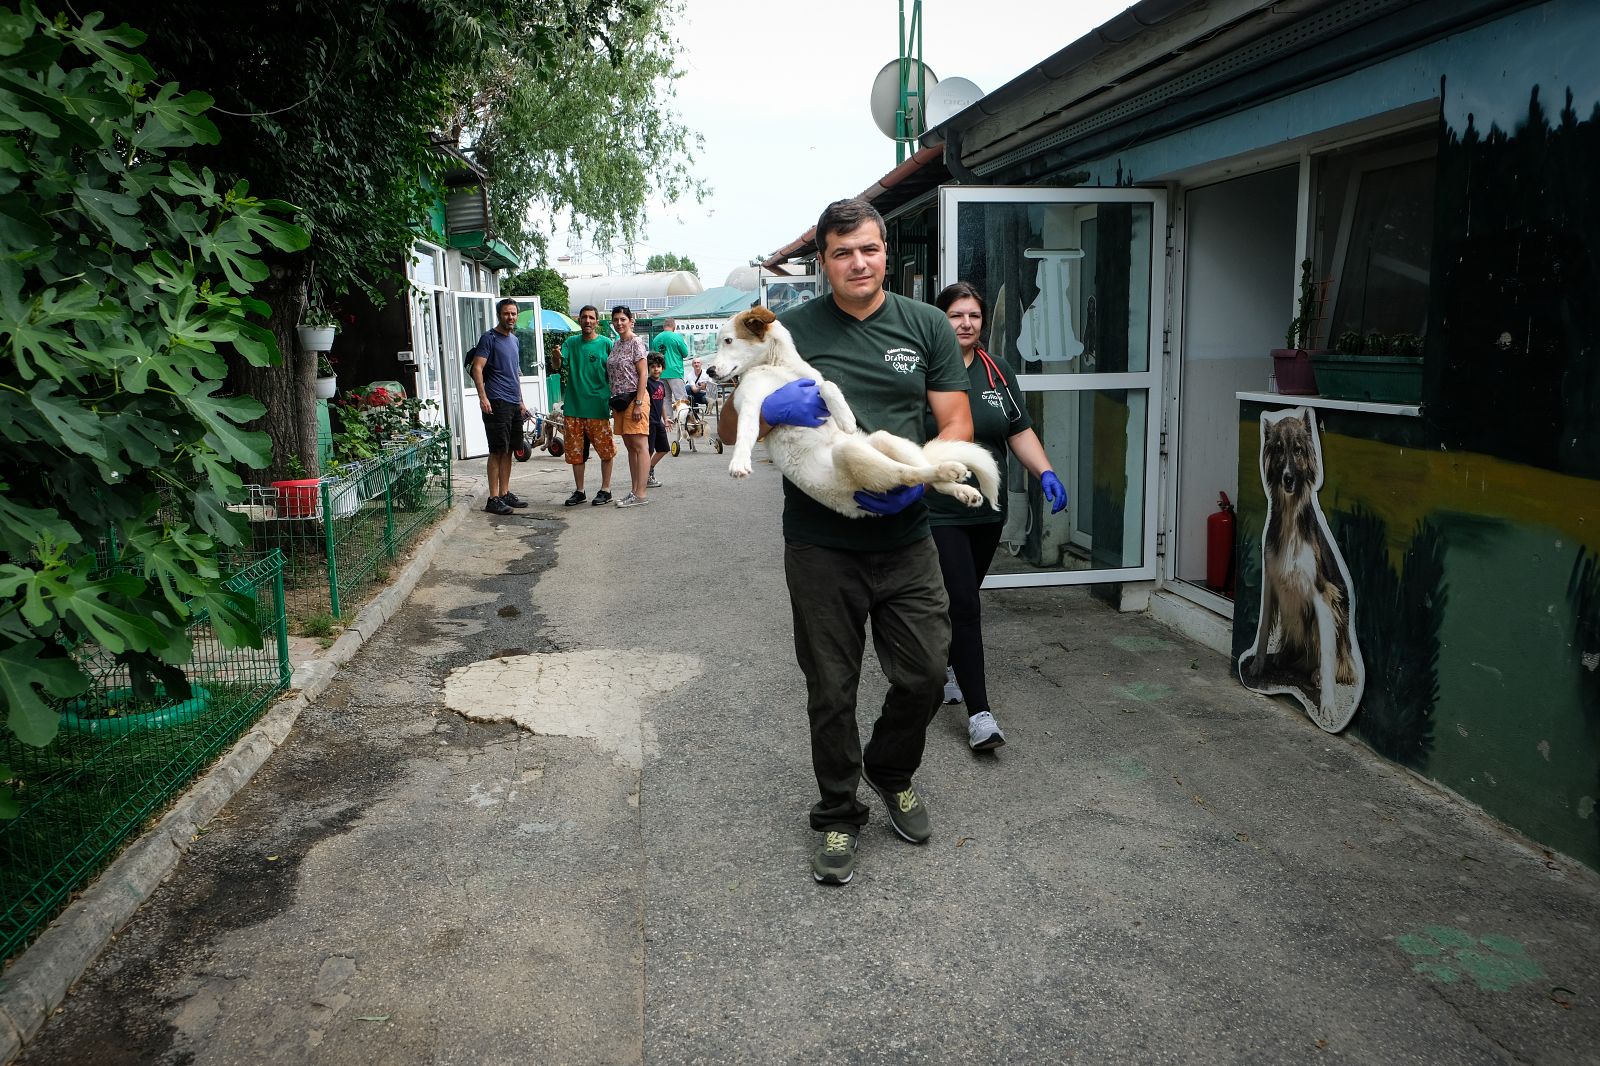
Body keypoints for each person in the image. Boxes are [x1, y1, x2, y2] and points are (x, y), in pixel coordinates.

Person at [722, 198, 972, 886]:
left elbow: (955, 422)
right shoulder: (789, 328)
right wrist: (768, 411)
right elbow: (727, 431)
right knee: (831, 687)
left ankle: (890, 768)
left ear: (885, 252)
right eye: (842, 253)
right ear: (824, 262)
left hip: (907, 535)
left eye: (868, 249)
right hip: (820, 543)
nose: (858, 263)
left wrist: (917, 480)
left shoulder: (925, 324)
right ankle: (837, 811)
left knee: (925, 673)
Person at [930, 282, 1068, 751]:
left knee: (960, 596)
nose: (966, 323)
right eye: (956, 315)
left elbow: (1017, 430)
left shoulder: (997, 371)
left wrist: (1045, 471)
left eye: (973, 315)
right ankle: (980, 716)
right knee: (965, 603)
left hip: (987, 509)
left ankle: (948, 663)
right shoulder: (926, 370)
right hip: (938, 507)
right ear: (940, 320)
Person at [468, 298, 531, 516]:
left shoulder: (514, 340)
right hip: (496, 401)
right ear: (499, 315)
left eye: (513, 314)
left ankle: (504, 493)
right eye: (506, 313)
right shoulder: (489, 338)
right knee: (497, 451)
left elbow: (515, 374)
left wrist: (521, 401)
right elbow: (477, 368)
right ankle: (492, 499)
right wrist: (482, 397)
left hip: (513, 402)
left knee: (510, 449)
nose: (510, 317)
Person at [558, 305, 617, 506]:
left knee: (606, 451)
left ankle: (606, 490)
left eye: (591, 317)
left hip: (598, 408)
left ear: (597, 322)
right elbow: (558, 365)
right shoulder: (571, 343)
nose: (588, 321)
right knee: (576, 454)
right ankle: (580, 491)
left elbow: (615, 372)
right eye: (584, 317)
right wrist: (556, 356)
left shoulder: (606, 344)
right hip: (574, 408)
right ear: (579, 320)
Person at [607, 305, 651, 508]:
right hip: (620, 401)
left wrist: (639, 403)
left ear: (631, 321)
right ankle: (634, 491)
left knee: (640, 446)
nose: (619, 323)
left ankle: (641, 493)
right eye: (616, 320)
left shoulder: (636, 343)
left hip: (635, 399)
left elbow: (643, 373)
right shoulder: (616, 344)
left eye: (623, 319)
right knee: (630, 447)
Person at [650, 317, 690, 407]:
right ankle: (682, 416)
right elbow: (685, 354)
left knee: (665, 400)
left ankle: (668, 417)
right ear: (674, 326)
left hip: (660, 373)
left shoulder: (656, 339)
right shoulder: (677, 337)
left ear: (663, 326)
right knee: (681, 399)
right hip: (675, 372)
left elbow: (652, 356)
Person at [644, 353, 668, 486]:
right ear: (648, 368)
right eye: (652, 367)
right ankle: (645, 477)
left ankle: (649, 469)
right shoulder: (647, 383)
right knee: (649, 450)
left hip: (658, 422)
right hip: (649, 421)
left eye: (658, 366)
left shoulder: (661, 384)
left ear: (662, 368)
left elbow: (662, 402)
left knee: (664, 448)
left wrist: (665, 419)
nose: (656, 369)